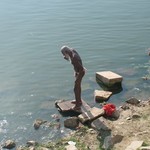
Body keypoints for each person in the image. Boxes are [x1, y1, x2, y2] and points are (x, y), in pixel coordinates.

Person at [61, 45, 85, 111]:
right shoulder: (72, 51)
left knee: (76, 88)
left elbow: (81, 68)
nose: (63, 55)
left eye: (64, 54)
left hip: (81, 72)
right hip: (78, 71)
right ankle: (79, 101)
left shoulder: (74, 57)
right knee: (78, 86)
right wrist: (75, 72)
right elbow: (76, 63)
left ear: (66, 52)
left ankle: (77, 106)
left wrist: (78, 76)